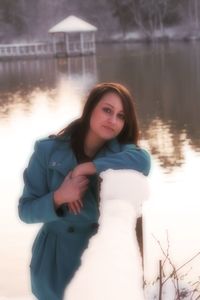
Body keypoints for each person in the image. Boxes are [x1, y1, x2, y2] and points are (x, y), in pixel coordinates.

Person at [18, 82, 151, 300]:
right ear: (90, 108)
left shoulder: (120, 151)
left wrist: (86, 167)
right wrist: (60, 196)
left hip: (94, 256)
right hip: (54, 261)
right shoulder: (47, 150)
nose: (113, 120)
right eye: (107, 110)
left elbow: (144, 161)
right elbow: (25, 210)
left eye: (121, 116)